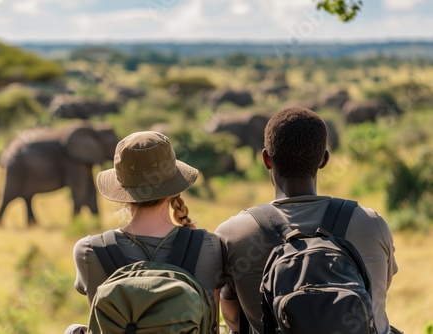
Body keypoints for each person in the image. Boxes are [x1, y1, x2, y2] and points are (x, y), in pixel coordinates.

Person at [215, 107, 398, 334]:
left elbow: (232, 321)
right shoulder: (372, 223)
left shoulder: (232, 233)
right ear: (324, 160)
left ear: (266, 159)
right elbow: (378, 297)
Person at [65, 131, 224, 334]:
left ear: (121, 190)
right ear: (175, 187)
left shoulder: (89, 251)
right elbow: (213, 326)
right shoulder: (209, 246)